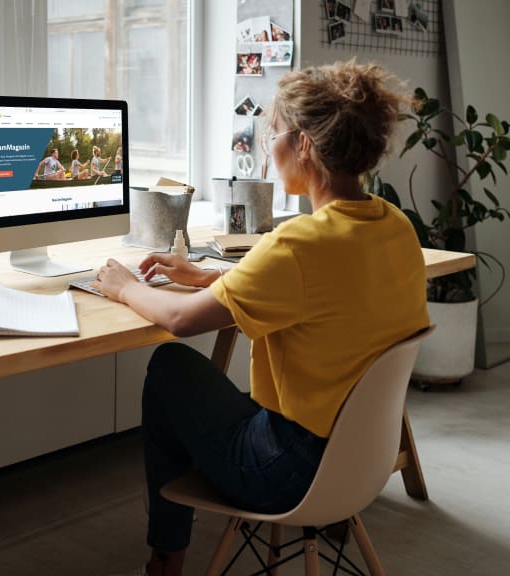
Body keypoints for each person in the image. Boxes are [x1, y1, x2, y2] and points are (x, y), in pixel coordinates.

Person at [93, 60, 429, 576]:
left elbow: (181, 322)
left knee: (169, 366)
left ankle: (166, 557)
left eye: (274, 134)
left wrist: (124, 286)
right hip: (360, 461)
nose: (269, 149)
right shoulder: (394, 225)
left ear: (304, 146)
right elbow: (325, 293)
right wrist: (207, 278)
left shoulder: (298, 243)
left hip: (287, 471)